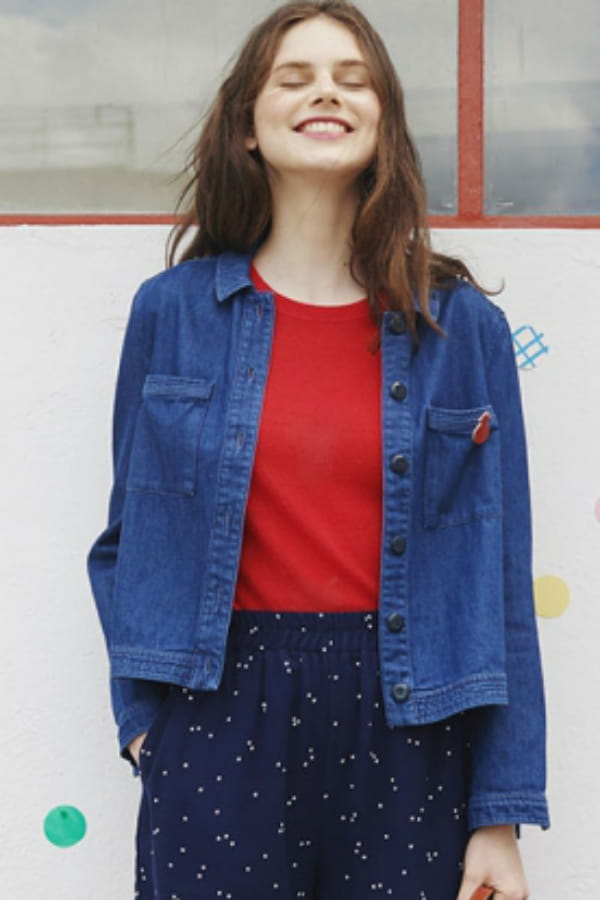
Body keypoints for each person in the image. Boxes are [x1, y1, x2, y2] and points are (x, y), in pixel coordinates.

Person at [86, 2, 549, 899]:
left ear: (384, 122)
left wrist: (501, 811)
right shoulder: (171, 314)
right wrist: (148, 729)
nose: (326, 94)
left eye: (352, 79)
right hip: (219, 713)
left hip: (414, 724)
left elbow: (500, 581)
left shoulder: (462, 330)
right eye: (294, 79)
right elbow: (126, 544)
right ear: (247, 126)